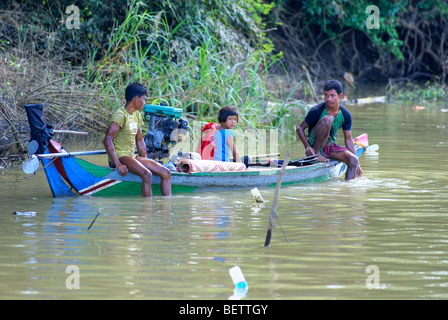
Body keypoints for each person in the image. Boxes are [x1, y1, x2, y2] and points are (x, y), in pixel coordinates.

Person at [103, 82, 171, 196]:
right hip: (120, 156)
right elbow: (107, 139)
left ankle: (166, 208)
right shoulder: (120, 115)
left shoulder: (137, 115)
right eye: (144, 99)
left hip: (132, 156)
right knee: (147, 175)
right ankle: (147, 209)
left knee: (166, 172)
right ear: (136, 99)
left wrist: (144, 161)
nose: (144, 103)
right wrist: (118, 164)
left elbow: (139, 140)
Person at [296, 80, 362, 180]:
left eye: (332, 95)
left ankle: (348, 189)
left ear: (340, 96)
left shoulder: (345, 114)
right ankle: (318, 153)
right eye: (326, 95)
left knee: (352, 161)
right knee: (328, 119)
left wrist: (357, 163)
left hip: (330, 146)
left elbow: (348, 139)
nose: (328, 99)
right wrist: (307, 147)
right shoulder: (316, 111)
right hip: (315, 145)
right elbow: (299, 128)